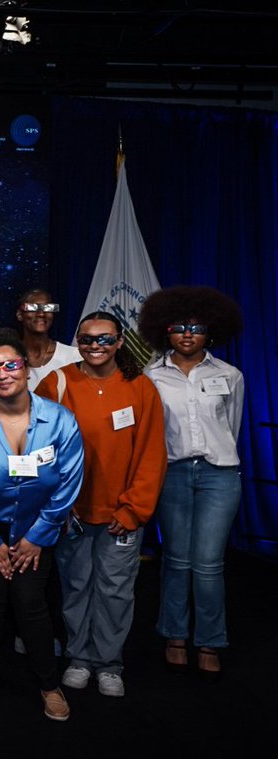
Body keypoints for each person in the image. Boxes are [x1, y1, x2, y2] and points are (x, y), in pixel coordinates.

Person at [0, 333, 85, 721]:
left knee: (31, 605)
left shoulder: (60, 420)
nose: (3, 374)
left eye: (11, 365)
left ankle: (49, 684)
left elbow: (69, 480)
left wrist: (36, 537)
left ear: (26, 368)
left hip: (36, 532)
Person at [36, 311, 167, 698]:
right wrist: (58, 505)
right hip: (71, 514)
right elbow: (41, 450)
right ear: (78, 341)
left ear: (120, 342)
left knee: (115, 589)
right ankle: (78, 657)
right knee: (75, 586)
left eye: (104, 339)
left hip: (120, 513)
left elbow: (151, 455)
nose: (96, 346)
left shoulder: (140, 388)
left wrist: (132, 510)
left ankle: (109, 663)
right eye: (88, 339)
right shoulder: (57, 383)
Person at [140, 286, 245, 677]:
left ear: (210, 332)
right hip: (173, 474)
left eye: (196, 327)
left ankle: (211, 640)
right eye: (179, 326)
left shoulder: (230, 375)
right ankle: (174, 635)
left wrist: (220, 460)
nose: (187, 334)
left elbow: (231, 427)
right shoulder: (151, 377)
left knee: (209, 563)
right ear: (165, 332)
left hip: (219, 475)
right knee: (176, 559)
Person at [16, 288, 80, 391]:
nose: (41, 314)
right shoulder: (8, 358)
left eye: (48, 308)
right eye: (33, 307)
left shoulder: (73, 356)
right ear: (20, 314)